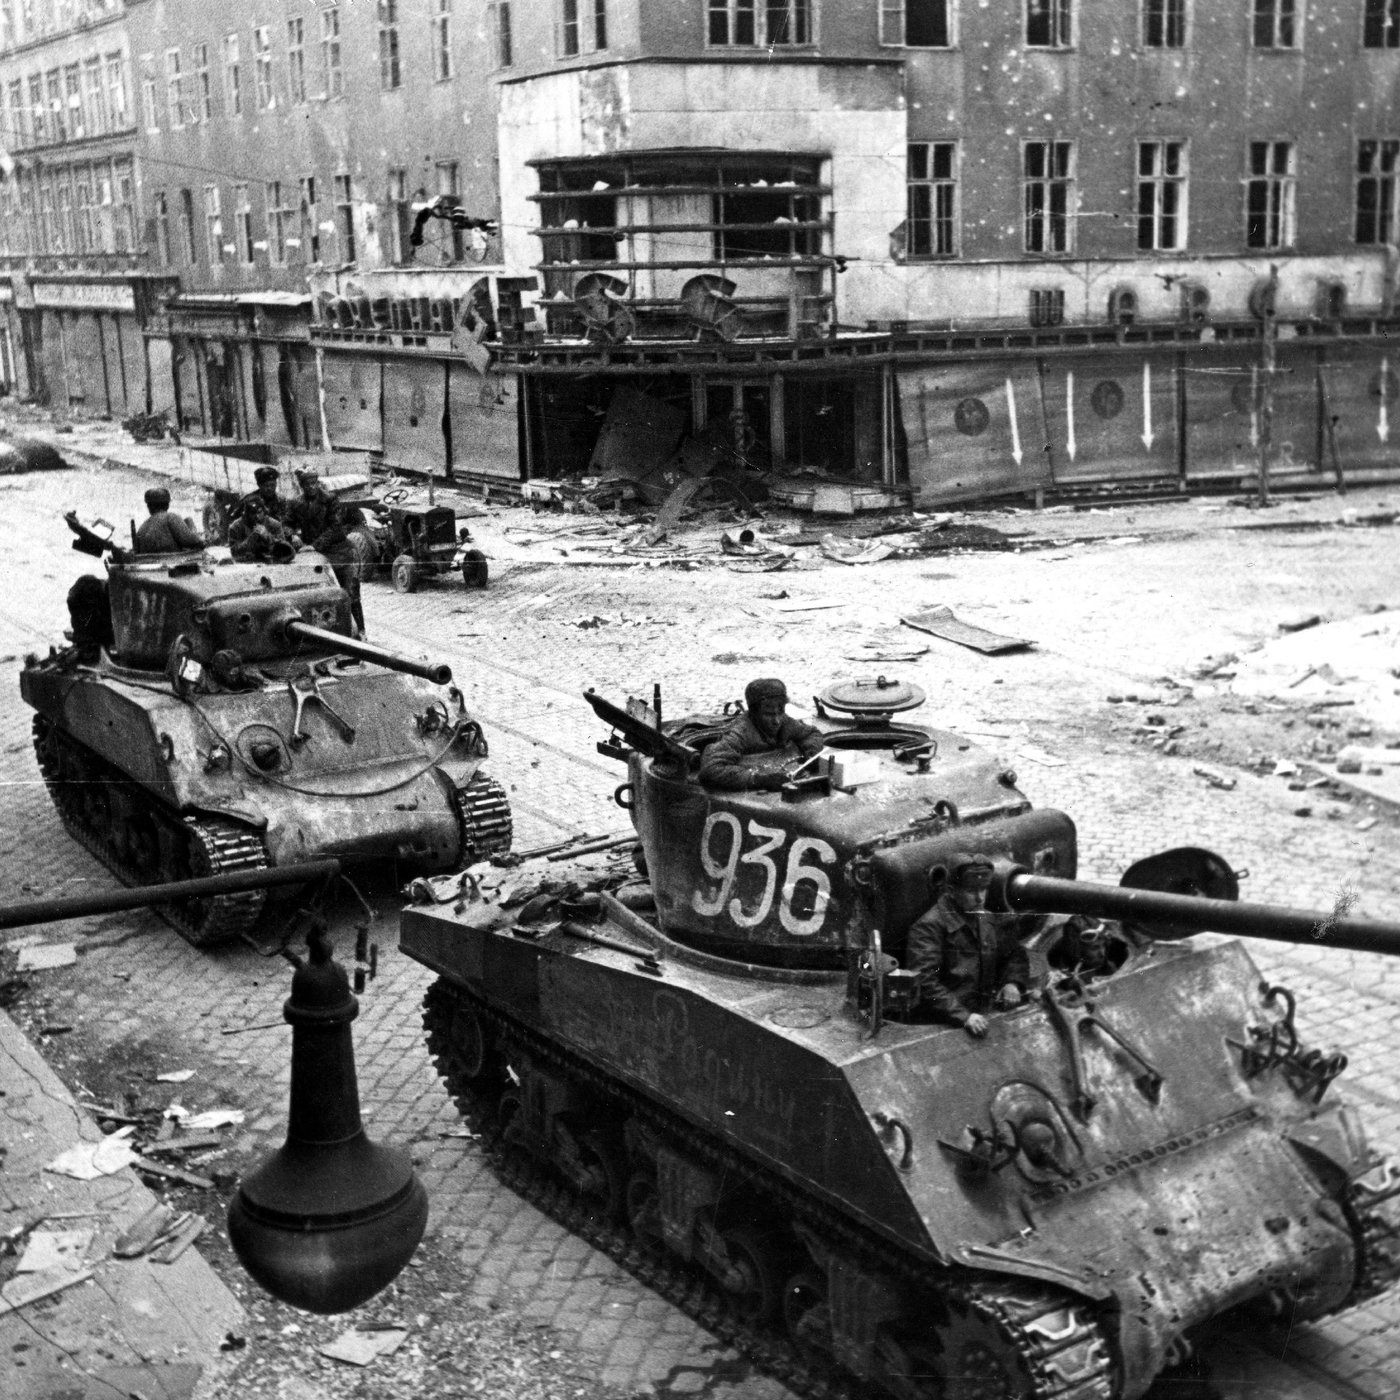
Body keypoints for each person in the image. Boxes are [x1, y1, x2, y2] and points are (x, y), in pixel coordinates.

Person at [906, 852, 1030, 1037]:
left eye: (984, 889)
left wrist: (1012, 983)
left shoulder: (985, 918)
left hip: (981, 1016)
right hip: (942, 1025)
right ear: (951, 891)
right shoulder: (929, 927)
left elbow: (1013, 953)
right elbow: (924, 981)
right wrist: (963, 1016)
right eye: (971, 891)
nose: (980, 898)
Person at [698, 678, 824, 791]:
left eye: (780, 712)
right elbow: (711, 769)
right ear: (754, 713)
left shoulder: (785, 722)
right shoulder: (739, 732)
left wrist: (811, 756)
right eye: (769, 714)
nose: (777, 721)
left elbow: (812, 734)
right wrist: (758, 780)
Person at [288, 469, 368, 637]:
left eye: (314, 483)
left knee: (350, 593)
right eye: (307, 484)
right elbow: (286, 523)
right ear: (302, 486)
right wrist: (292, 534)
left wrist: (315, 545)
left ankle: (360, 631)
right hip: (315, 557)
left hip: (339, 554)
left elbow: (336, 528)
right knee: (319, 596)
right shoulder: (296, 503)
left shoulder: (330, 500)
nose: (312, 487)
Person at [133, 486, 203, 554]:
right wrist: (196, 534)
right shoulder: (171, 517)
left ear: (148, 506)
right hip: (173, 560)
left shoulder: (142, 528)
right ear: (167, 505)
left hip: (148, 561)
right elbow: (190, 541)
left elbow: (136, 551)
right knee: (189, 521)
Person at [227, 495, 292, 563]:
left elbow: (284, 550)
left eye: (259, 512)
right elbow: (234, 553)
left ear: (264, 511)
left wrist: (267, 536)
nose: (257, 516)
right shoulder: (236, 526)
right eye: (253, 513)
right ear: (246, 514)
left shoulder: (274, 524)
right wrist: (252, 538)